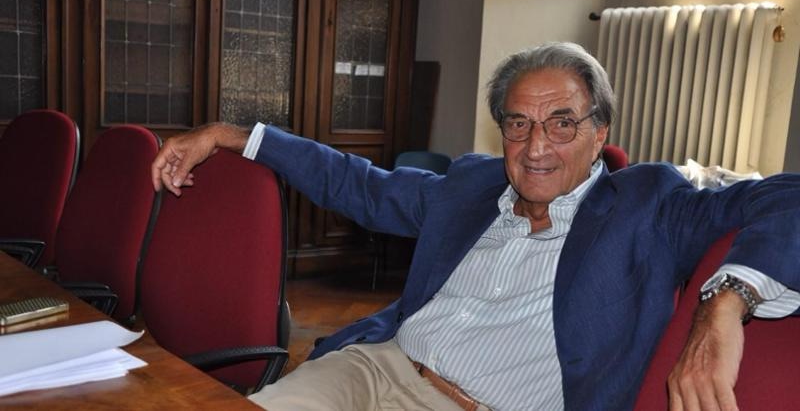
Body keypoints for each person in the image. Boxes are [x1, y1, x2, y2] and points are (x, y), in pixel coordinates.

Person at [151, 42, 800, 411]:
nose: (536, 146)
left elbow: (790, 197)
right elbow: (358, 184)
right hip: (376, 370)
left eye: (562, 123)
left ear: (600, 131)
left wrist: (724, 304)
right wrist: (231, 135)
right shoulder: (472, 186)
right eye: (519, 123)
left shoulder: (649, 204)